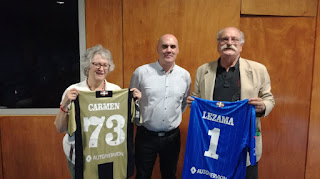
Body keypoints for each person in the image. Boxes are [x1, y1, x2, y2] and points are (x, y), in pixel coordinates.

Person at [187, 27, 275, 179]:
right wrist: (192, 102)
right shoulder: (203, 70)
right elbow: (197, 97)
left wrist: (263, 106)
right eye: (224, 39)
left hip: (243, 143)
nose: (229, 43)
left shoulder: (258, 70)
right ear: (218, 44)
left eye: (234, 39)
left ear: (241, 45)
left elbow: (269, 98)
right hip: (212, 144)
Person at [54, 44, 141, 178]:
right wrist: (65, 104)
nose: (101, 68)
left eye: (105, 65)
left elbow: (132, 121)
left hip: (108, 154)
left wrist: (134, 102)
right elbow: (60, 128)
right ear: (88, 67)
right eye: (97, 64)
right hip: (81, 156)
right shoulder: (74, 91)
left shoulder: (116, 91)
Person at [130, 34, 191, 179]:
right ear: (157, 49)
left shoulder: (185, 76)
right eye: (164, 46)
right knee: (142, 175)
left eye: (172, 47)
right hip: (145, 136)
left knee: (169, 175)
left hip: (172, 137)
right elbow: (132, 101)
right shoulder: (141, 72)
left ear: (177, 50)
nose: (168, 50)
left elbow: (183, 103)